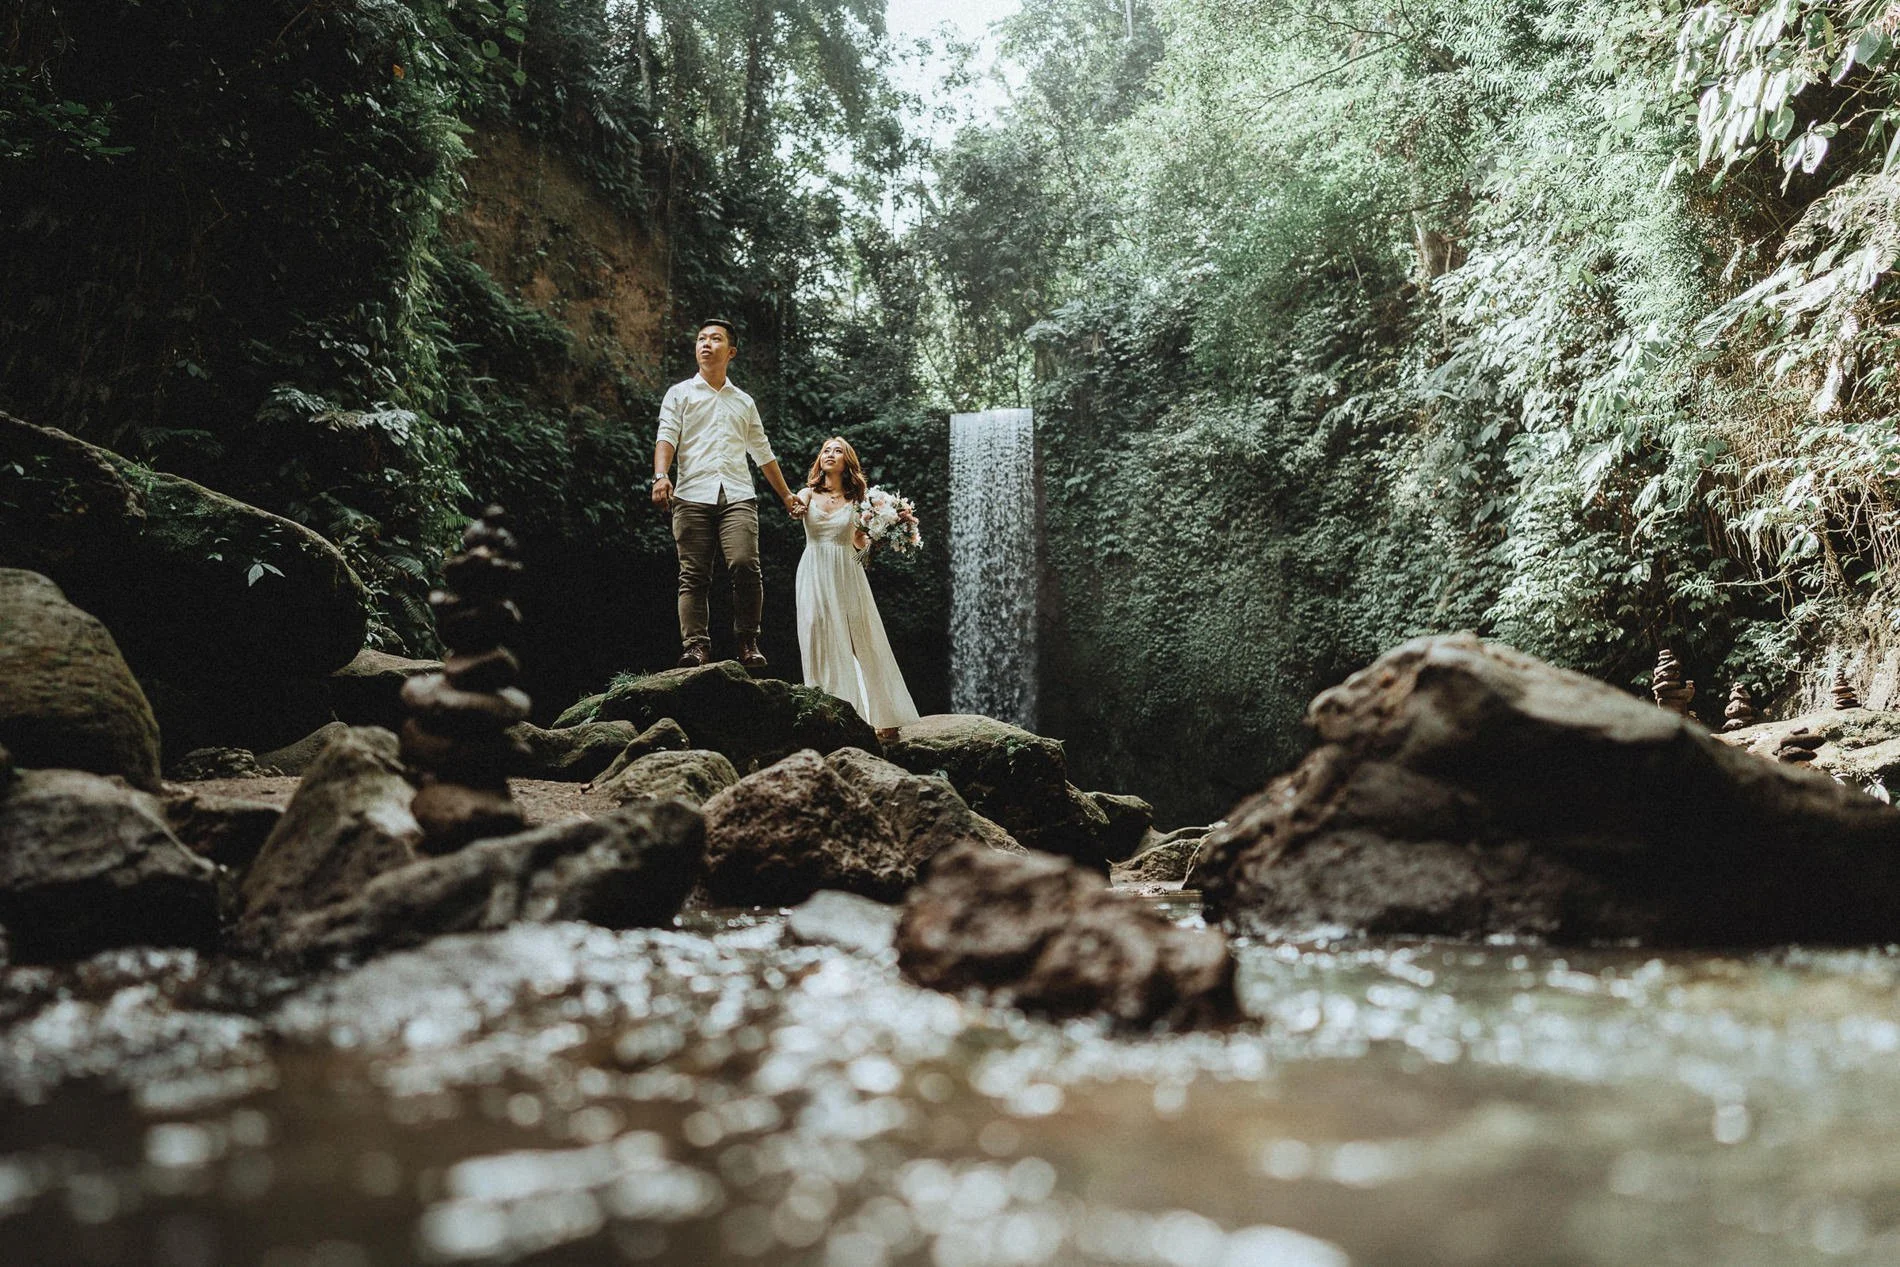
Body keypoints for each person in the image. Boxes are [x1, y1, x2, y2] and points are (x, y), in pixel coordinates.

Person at [651, 319, 803, 671]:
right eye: (701, 338)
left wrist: (785, 495)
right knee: (693, 575)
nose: (706, 344)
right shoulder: (679, 394)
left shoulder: (743, 402)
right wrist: (661, 475)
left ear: (730, 351)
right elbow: (667, 436)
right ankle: (696, 646)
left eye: (715, 339)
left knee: (746, 564)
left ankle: (748, 641)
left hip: (737, 495)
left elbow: (762, 451)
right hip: (690, 494)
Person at [795, 436, 920, 741]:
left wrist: (883, 530)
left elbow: (859, 544)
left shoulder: (858, 502)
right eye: (826, 450)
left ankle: (885, 716)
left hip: (847, 572)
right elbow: (797, 506)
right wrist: (796, 508)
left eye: (837, 451)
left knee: (861, 639)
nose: (830, 454)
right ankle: (828, 715)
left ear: (846, 462)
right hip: (813, 570)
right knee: (816, 635)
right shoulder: (808, 494)